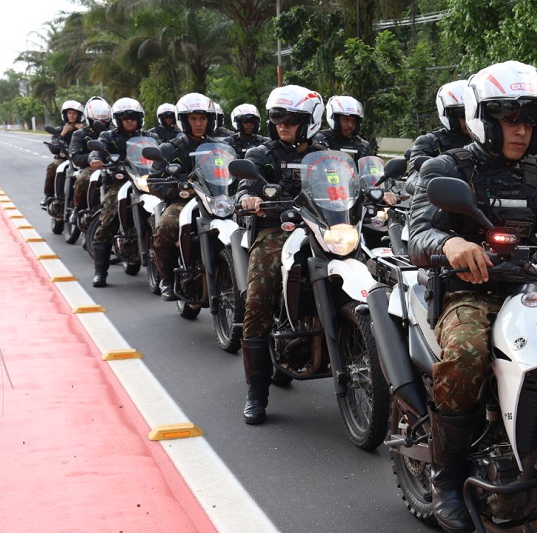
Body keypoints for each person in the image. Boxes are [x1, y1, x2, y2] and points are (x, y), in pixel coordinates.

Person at [407, 61, 537, 533]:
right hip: (471, 293)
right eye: (510, 119)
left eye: (530, 121)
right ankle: (448, 479)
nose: (521, 130)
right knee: (466, 353)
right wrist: (448, 243)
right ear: (483, 119)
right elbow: (417, 232)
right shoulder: (449, 167)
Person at [235, 85, 327, 425]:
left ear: (311, 122)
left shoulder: (325, 153)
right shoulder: (263, 153)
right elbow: (244, 184)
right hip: (276, 230)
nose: (282, 124)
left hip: (325, 231)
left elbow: (350, 182)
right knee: (258, 298)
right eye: (276, 118)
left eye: (291, 119)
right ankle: (256, 392)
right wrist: (248, 197)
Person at [149, 92, 220, 299]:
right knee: (166, 227)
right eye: (194, 119)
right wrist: (178, 188)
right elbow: (154, 181)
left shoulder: (221, 147)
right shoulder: (169, 149)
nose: (199, 123)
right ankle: (167, 279)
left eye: (203, 118)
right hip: (183, 202)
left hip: (217, 201)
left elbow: (232, 173)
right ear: (184, 121)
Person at [87, 98, 148, 287]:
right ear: (117, 119)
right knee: (108, 217)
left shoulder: (148, 136)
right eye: (125, 117)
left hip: (145, 182)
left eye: (133, 117)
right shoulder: (108, 136)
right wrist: (96, 158)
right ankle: (100, 272)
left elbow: (162, 150)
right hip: (118, 183)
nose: (129, 121)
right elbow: (95, 151)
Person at [404, 80, 473, 193]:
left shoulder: (486, 142)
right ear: (448, 114)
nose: (469, 118)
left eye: (472, 111)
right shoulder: (429, 142)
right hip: (437, 205)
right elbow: (412, 179)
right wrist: (432, 184)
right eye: (462, 113)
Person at [68, 96, 113, 212]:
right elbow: (76, 158)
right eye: (98, 121)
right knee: (83, 180)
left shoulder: (114, 133)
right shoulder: (79, 134)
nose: (101, 124)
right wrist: (91, 159)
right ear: (90, 119)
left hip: (114, 167)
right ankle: (77, 209)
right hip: (91, 167)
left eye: (104, 121)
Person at [42, 100, 84, 208]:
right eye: (69, 113)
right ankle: (48, 195)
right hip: (64, 159)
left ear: (79, 115)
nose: (71, 116)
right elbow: (53, 148)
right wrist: (62, 134)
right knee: (53, 166)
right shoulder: (59, 130)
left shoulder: (85, 130)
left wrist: (83, 131)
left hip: (80, 160)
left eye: (74, 113)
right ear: (65, 115)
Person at [318, 96, 372, 161]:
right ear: (335, 120)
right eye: (346, 120)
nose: (350, 125)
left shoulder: (363, 146)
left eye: (353, 121)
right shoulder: (321, 140)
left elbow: (368, 169)